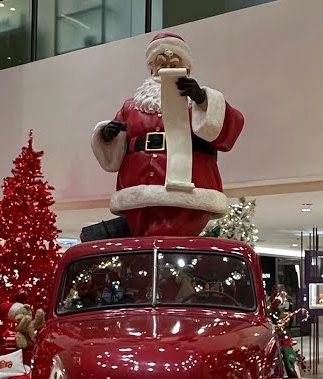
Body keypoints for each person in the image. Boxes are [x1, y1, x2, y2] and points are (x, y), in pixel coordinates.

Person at [91, 32, 244, 237]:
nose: (167, 70)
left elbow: (230, 127)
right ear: (151, 68)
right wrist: (107, 135)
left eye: (174, 65)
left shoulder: (196, 102)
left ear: (186, 69)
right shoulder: (132, 106)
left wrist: (202, 99)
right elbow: (115, 148)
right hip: (138, 185)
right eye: (162, 65)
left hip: (191, 185)